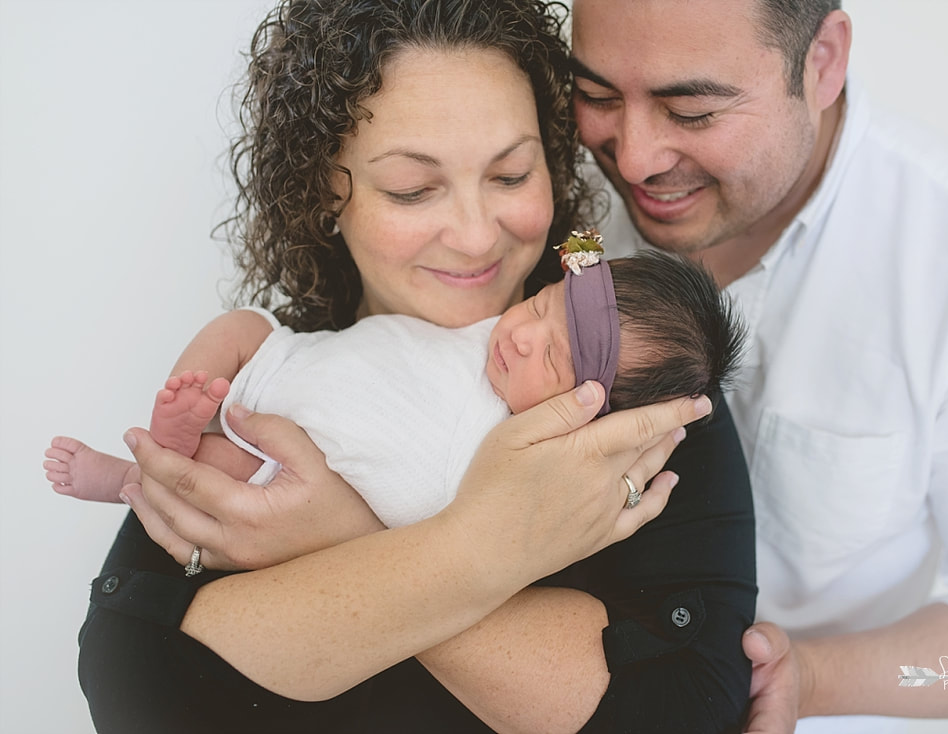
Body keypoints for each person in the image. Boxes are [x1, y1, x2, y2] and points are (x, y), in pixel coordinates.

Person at [71, 1, 757, 732]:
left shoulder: (635, 383)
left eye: (512, 174)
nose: (473, 235)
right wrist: (476, 563)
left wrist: (347, 535)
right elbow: (135, 676)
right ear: (324, 192)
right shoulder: (282, 377)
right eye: (411, 188)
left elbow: (689, 710)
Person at [565, 0, 948, 732]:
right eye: (595, 95)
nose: (632, 157)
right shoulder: (564, 196)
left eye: (691, 111)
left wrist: (814, 679)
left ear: (822, 62)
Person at [47, 245, 746, 532]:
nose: (524, 333)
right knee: (237, 327)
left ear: (590, 416)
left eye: (557, 358)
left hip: (297, 463)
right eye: (541, 304)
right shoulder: (490, 325)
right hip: (288, 365)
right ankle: (174, 427)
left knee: (229, 477)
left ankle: (133, 474)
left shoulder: (510, 452)